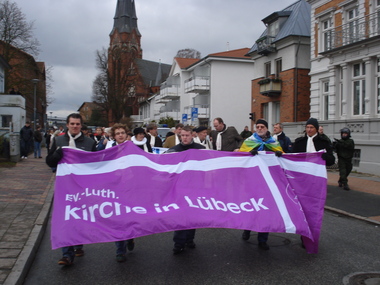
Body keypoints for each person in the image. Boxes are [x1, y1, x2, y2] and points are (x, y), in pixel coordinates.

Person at [46, 113, 97, 266]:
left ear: (81, 126)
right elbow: (49, 162)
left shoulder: (89, 142)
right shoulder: (58, 140)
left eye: (77, 124)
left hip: (83, 187)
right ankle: (67, 255)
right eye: (72, 123)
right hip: (65, 188)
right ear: (67, 125)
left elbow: (95, 164)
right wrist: (56, 154)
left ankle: (78, 244)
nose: (75, 126)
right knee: (66, 218)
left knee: (80, 217)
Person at [239, 119, 283, 250]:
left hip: (267, 181)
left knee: (265, 210)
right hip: (252, 180)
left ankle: (262, 239)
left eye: (262, 126)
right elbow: (240, 156)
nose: (259, 128)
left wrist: (279, 154)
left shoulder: (273, 142)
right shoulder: (249, 141)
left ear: (266, 128)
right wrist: (249, 154)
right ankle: (247, 229)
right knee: (251, 207)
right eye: (257, 126)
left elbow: (282, 156)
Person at [166, 126, 205, 253]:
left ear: (192, 135)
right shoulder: (173, 151)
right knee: (180, 216)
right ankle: (178, 243)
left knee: (192, 215)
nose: (184, 138)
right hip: (179, 188)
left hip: (195, 187)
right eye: (182, 135)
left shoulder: (201, 150)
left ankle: (189, 239)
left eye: (187, 135)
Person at [104, 123, 136, 262]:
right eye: (117, 133)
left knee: (129, 217)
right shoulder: (109, 149)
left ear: (126, 133)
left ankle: (130, 237)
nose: (120, 135)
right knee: (118, 219)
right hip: (115, 188)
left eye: (122, 132)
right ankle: (120, 250)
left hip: (130, 188)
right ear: (114, 136)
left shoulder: (133, 148)